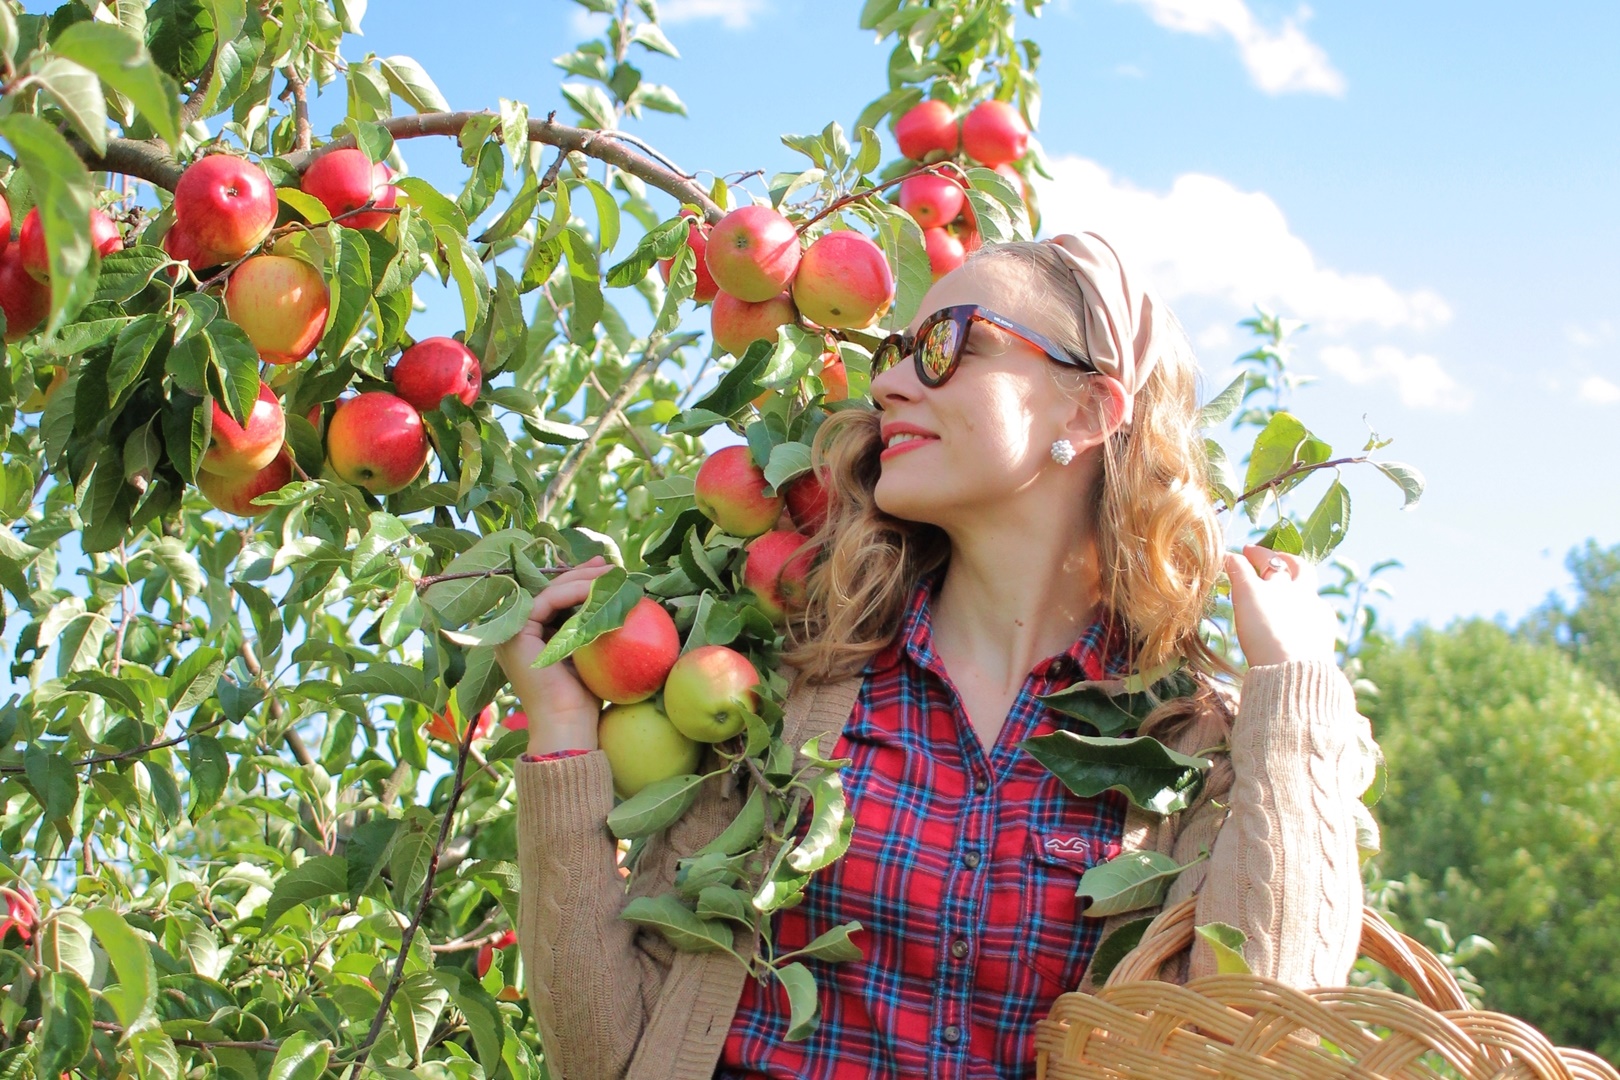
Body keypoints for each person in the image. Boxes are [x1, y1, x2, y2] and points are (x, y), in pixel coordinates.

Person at [496, 232, 1376, 1080]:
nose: (888, 383)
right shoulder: (787, 684)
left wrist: (1293, 695)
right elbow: (606, 1058)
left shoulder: (1182, 748)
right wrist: (564, 734)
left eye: (947, 345)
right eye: (899, 347)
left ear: (1088, 407)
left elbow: (1257, 1041)